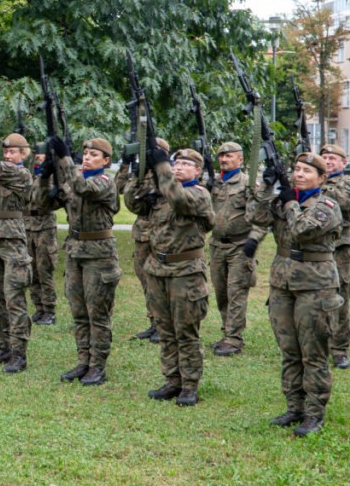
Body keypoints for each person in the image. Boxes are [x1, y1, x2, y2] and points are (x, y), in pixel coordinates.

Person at [249, 152, 342, 437]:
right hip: (283, 284)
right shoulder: (286, 200)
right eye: (297, 170)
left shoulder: (327, 205)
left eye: (307, 171)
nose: (300, 174)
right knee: (289, 350)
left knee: (313, 353)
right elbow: (255, 217)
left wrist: (290, 201)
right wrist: (267, 188)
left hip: (316, 286)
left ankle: (314, 414)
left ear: (322, 178)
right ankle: (294, 407)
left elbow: (302, 229)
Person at [35, 136, 119, 386]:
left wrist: (65, 160)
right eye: (85, 154)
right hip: (75, 253)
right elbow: (41, 205)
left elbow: (83, 188)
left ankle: (98, 366)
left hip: (99, 255)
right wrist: (45, 177)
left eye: (94, 155)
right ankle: (83, 361)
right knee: (79, 312)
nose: (88, 158)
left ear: (106, 160)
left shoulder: (105, 182)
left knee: (98, 314)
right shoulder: (74, 180)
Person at [143, 148, 215, 407]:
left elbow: (179, 200)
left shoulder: (199, 194)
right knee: (165, 329)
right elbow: (133, 203)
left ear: (198, 171)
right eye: (176, 163)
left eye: (187, 164)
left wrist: (162, 168)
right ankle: (172, 379)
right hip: (158, 270)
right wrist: (143, 172)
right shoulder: (164, 191)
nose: (179, 167)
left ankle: (190, 384)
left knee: (186, 330)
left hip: (185, 272)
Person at [0, 134, 34, 373]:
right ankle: (2, 347)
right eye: (6, 152)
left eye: (13, 152)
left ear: (24, 154)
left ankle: (19, 353)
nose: (8, 156)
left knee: (14, 299)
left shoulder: (20, 174)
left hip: (12, 240)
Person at [117, 138, 171, 343]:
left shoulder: (166, 173)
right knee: (144, 280)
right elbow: (120, 187)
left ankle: (163, 324)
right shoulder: (140, 172)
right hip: (141, 232)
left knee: (158, 282)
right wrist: (126, 164)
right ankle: (153, 322)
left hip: (160, 234)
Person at [209, 142, 257, 357]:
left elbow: (260, 215)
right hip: (217, 245)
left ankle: (234, 339)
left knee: (236, 291)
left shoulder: (248, 184)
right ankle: (227, 332)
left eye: (229, 156)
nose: (224, 159)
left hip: (240, 246)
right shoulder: (215, 182)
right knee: (221, 292)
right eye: (221, 156)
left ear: (240, 159)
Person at [319, 144, 350, 369]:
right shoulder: (313, 178)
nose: (328, 161)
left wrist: (318, 185)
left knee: (340, 299)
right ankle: (319, 345)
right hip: (316, 248)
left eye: (333, 158)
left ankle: (340, 349)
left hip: (339, 249)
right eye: (324, 157)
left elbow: (344, 202)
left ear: (343, 163)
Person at [27, 148, 59, 326]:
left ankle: (49, 310)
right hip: (29, 225)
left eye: (43, 153)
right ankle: (39, 307)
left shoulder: (52, 177)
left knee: (44, 269)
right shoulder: (30, 175)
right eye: (37, 153)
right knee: (32, 270)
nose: (39, 156)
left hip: (45, 226)